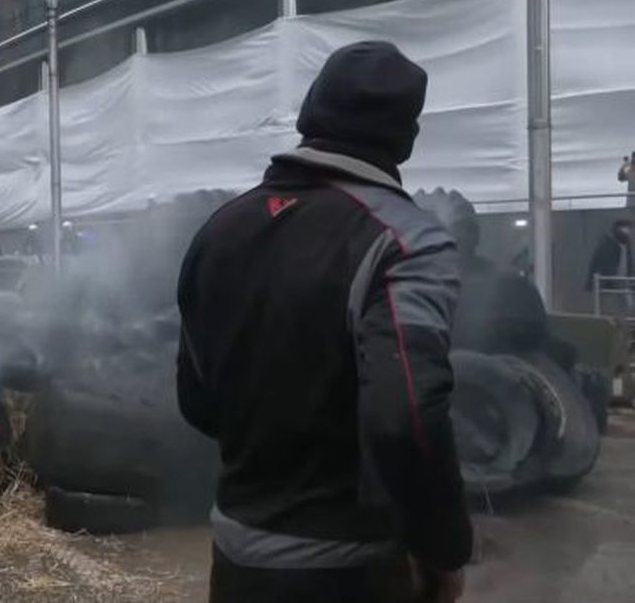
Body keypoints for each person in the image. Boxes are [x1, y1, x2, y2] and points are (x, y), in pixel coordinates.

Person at [177, 41, 470, 602]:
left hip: (235, 559)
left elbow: (197, 401)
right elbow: (406, 415)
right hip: (350, 571)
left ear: (311, 111)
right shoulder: (407, 241)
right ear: (405, 138)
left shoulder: (218, 231)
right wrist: (444, 551)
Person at [586, 220, 634, 315]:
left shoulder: (626, 244)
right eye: (625, 228)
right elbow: (596, 261)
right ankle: (597, 320)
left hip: (622, 279)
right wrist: (592, 279)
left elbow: (629, 261)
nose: (628, 231)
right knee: (600, 303)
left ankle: (622, 322)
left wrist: (630, 276)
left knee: (628, 304)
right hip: (607, 279)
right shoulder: (606, 243)